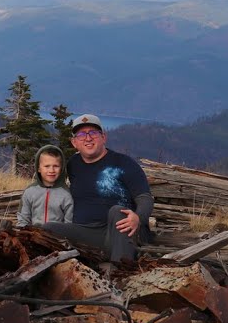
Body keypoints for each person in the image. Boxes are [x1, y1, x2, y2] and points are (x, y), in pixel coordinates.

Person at [38, 114, 154, 275]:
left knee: (118, 211)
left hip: (121, 232)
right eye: (81, 134)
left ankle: (120, 273)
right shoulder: (73, 164)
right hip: (89, 234)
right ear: (74, 142)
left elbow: (145, 198)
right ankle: (44, 275)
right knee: (48, 229)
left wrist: (138, 218)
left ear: (103, 137)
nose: (88, 138)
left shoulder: (124, 163)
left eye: (93, 133)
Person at [16, 144, 73, 226]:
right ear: (39, 168)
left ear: (61, 168)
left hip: (57, 233)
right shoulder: (30, 191)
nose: (51, 170)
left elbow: (69, 223)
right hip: (33, 233)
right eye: (47, 166)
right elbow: (23, 219)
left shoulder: (66, 194)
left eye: (56, 166)